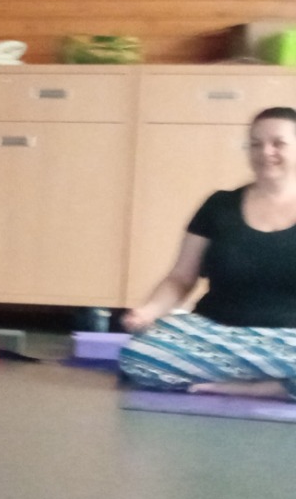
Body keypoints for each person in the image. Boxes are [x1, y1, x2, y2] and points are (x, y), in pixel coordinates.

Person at [119, 106, 296, 399]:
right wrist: (149, 311)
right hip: (216, 333)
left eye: (278, 143)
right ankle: (279, 383)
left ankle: (263, 387)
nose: (266, 152)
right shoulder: (219, 205)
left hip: (287, 339)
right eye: (256, 144)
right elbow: (180, 278)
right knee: (139, 355)